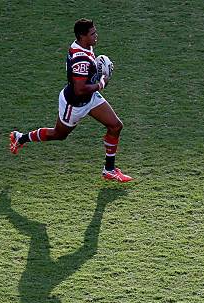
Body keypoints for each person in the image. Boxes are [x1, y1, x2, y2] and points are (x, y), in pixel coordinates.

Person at [9, 18, 133, 182]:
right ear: (82, 36)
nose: (96, 36)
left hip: (90, 99)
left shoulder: (83, 46)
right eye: (92, 33)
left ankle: (109, 170)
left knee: (116, 126)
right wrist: (100, 83)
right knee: (58, 134)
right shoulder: (81, 60)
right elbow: (79, 89)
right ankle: (21, 138)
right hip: (74, 104)